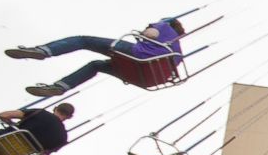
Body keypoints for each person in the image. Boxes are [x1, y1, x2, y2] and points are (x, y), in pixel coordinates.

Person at [10, 20, 184, 97]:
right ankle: (60, 87)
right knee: (97, 65)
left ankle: (44, 51)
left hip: (137, 57)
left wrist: (144, 33)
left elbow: (151, 33)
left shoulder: (164, 26)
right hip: (148, 79)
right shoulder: (177, 52)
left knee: (83, 40)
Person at [0, 104, 75, 155]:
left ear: (55, 108)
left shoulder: (39, 113)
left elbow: (3, 115)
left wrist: (13, 124)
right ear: (70, 117)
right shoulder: (63, 138)